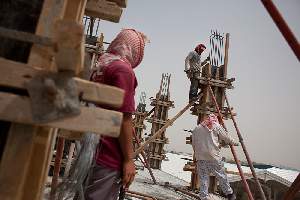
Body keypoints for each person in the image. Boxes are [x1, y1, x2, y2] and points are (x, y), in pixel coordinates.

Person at [85, 29, 148, 200]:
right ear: (134, 49)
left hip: (89, 149)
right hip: (109, 154)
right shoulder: (123, 70)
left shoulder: (100, 66)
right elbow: (124, 119)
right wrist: (128, 160)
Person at [192, 113, 237, 200]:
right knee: (221, 175)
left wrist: (197, 154)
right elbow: (227, 138)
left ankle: (203, 196)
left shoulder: (197, 128)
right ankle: (229, 194)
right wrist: (234, 142)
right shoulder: (216, 125)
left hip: (200, 156)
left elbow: (194, 143)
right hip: (213, 156)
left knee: (203, 177)